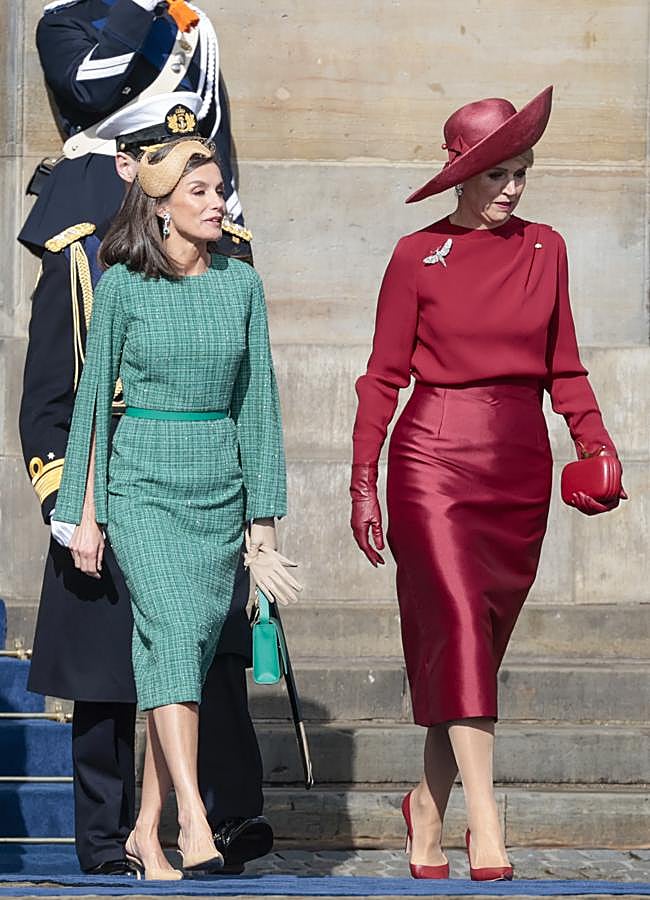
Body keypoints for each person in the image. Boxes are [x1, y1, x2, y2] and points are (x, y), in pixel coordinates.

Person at [349, 86, 625, 882]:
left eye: (523, 172)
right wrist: (362, 480)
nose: (513, 188)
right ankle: (488, 822)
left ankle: (425, 812)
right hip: (431, 461)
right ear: (462, 175)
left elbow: (565, 365)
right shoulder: (414, 256)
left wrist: (596, 443)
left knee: (469, 652)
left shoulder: (549, 248)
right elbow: (380, 379)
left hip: (517, 464)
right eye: (499, 172)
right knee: (463, 638)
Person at [18, 98, 273, 877]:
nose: (215, 199)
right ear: (131, 170)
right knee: (108, 680)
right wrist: (72, 507)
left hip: (206, 484)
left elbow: (253, 393)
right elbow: (57, 396)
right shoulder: (86, 262)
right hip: (119, 481)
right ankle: (115, 834)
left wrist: (261, 517)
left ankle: (191, 819)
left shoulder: (233, 268)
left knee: (199, 657)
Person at [20, 0, 251, 261]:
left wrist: (230, 213)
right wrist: (138, 8)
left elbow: (211, 129)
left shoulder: (186, 23)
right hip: (106, 195)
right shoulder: (66, 20)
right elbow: (91, 92)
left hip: (187, 198)